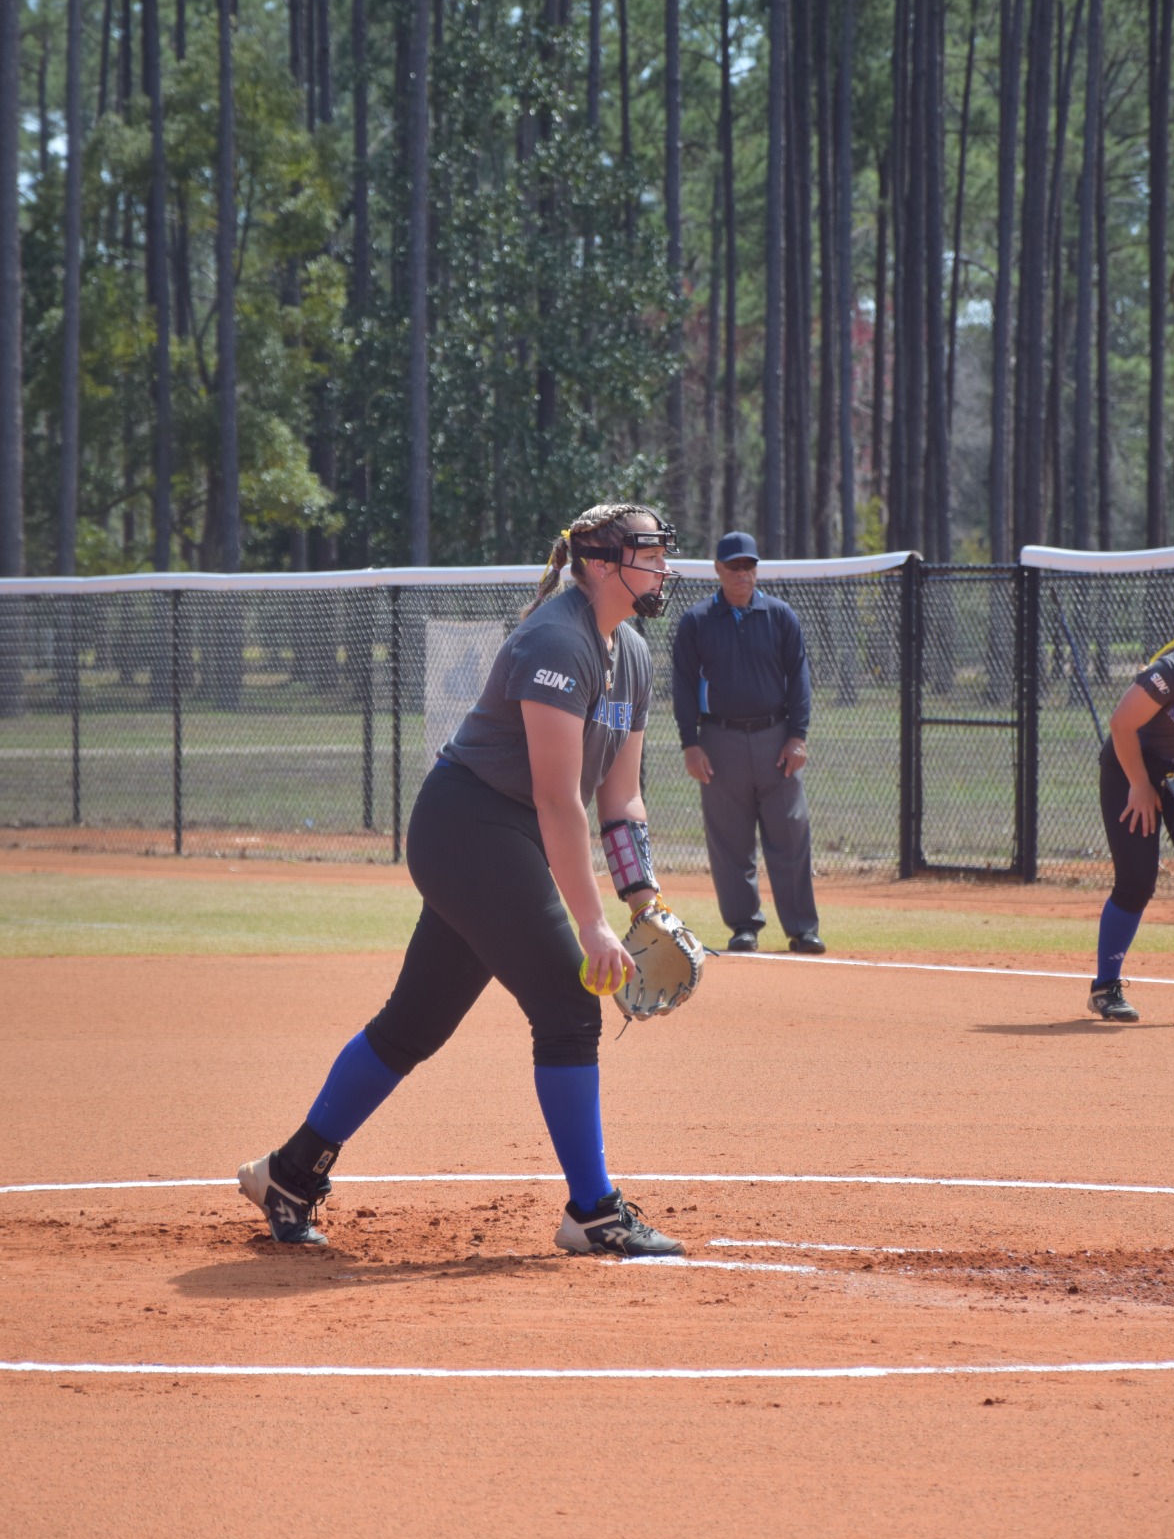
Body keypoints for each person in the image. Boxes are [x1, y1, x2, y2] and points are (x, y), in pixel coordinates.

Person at [239, 501, 689, 1257]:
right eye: (648, 551)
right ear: (601, 562)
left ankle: (288, 1174)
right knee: (571, 1005)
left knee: (413, 1024)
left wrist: (642, 899)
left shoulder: (633, 654)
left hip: (507, 842)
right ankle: (593, 1211)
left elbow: (619, 797)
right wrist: (591, 924)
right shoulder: (554, 638)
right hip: (469, 828)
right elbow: (554, 798)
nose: (664, 565)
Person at [672, 529, 825, 956]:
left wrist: (798, 736)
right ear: (718, 570)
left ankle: (802, 928)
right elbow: (683, 686)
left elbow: (799, 679)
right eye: (734, 566)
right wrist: (690, 743)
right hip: (719, 740)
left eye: (749, 566)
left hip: (776, 738)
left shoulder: (779, 616)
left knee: (790, 835)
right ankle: (744, 926)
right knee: (729, 841)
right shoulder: (697, 621)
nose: (742, 574)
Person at [1089, 610, 1174, 1023]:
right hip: (1131, 766)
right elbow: (1122, 724)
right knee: (1137, 880)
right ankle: (1105, 988)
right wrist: (1140, 784)